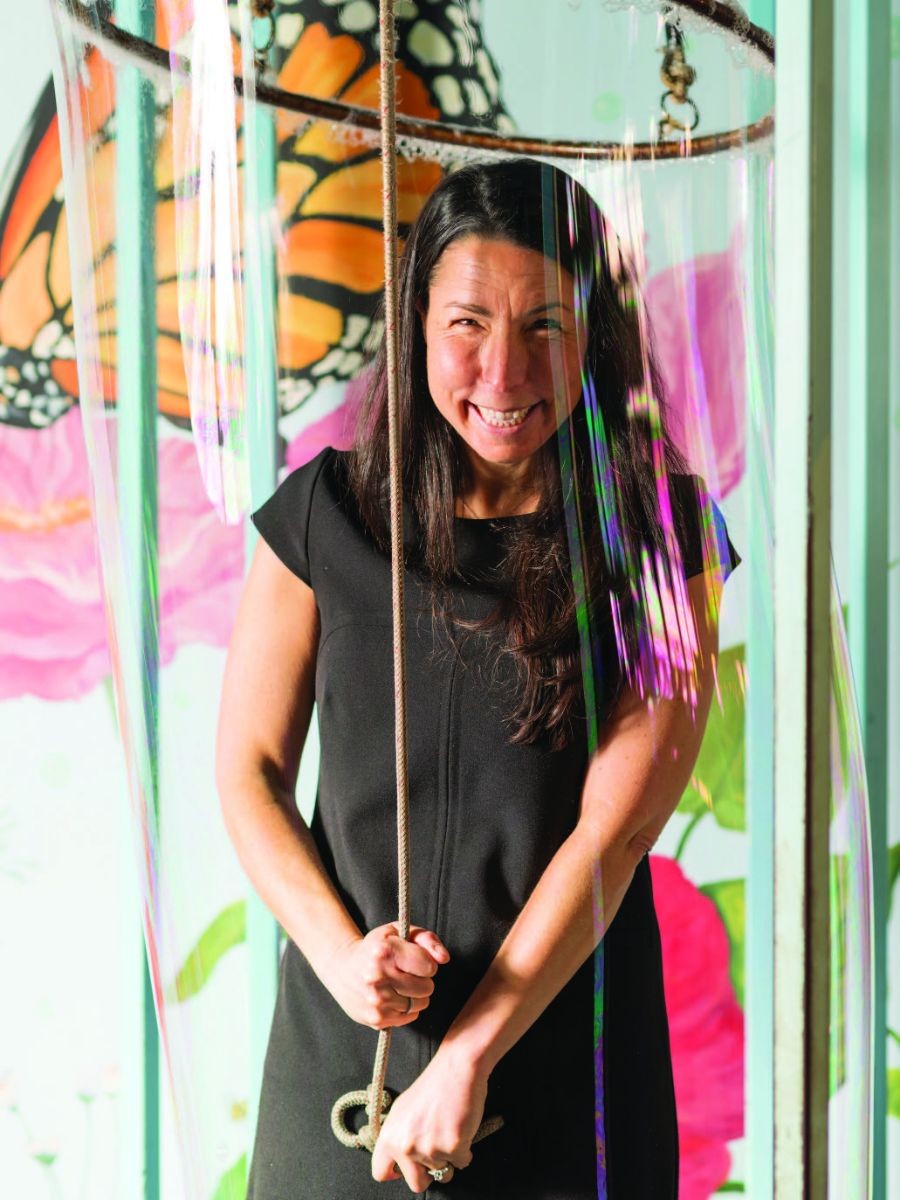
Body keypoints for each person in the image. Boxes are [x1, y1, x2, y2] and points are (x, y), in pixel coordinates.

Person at [216, 158, 741, 1199]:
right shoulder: (322, 517)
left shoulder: (663, 539)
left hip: (564, 1064)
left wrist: (468, 1054)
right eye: (467, 325)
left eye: (546, 324)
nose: (503, 374)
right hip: (345, 1069)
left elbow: (620, 825)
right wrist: (341, 960)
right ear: (416, 329)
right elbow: (249, 771)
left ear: (601, 337)